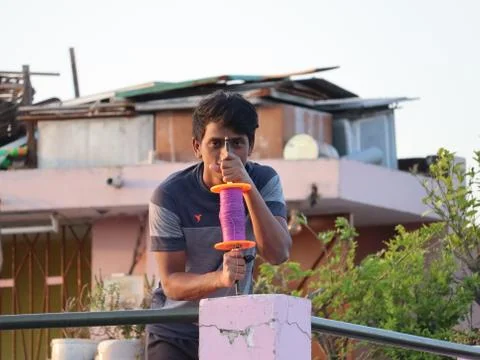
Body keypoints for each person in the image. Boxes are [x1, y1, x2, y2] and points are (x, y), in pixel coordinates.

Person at [146, 90, 292, 360]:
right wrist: (219, 279)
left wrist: (247, 188)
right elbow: (171, 283)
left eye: (237, 143)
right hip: (176, 332)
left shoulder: (265, 181)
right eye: (215, 144)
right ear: (196, 147)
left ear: (251, 145)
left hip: (233, 327)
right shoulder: (169, 196)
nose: (226, 155)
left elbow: (278, 253)